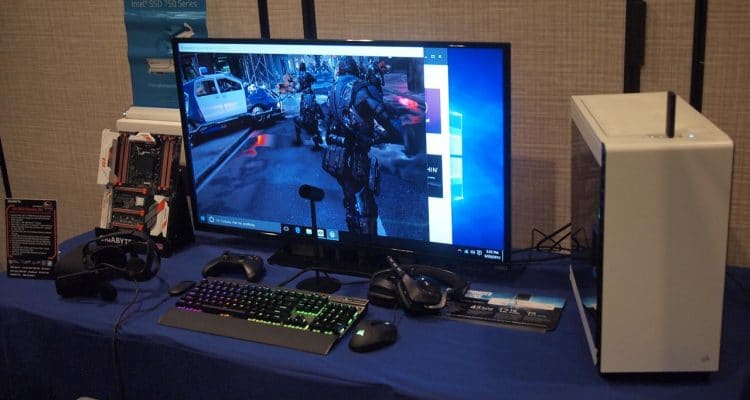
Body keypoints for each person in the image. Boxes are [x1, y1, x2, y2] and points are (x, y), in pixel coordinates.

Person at [323, 56, 406, 235]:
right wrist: (399, 135)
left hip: (336, 157)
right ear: (355, 70)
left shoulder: (332, 90)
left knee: (349, 199)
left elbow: (328, 126)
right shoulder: (360, 88)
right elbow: (385, 116)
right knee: (366, 205)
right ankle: (368, 245)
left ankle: (354, 235)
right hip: (356, 155)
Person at [294, 62, 323, 149]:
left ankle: (299, 139)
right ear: (305, 67)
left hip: (304, 95)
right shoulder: (307, 74)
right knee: (314, 112)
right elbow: (314, 80)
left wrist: (296, 89)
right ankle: (317, 138)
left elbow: (298, 88)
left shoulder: (299, 76)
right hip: (310, 94)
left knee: (302, 111)